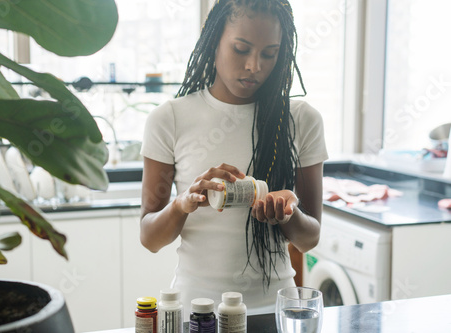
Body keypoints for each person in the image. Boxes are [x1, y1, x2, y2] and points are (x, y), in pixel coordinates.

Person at [140, 0, 328, 318]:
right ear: (213, 41)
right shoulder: (169, 118)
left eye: (269, 54)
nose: (255, 65)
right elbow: (150, 238)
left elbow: (310, 238)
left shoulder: (300, 119)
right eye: (241, 49)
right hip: (198, 312)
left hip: (275, 311)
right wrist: (181, 204)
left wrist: (287, 214)